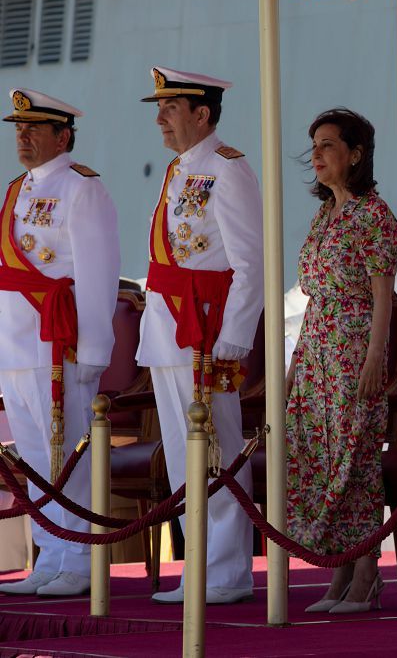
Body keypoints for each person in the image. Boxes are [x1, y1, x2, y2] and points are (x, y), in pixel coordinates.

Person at [138, 67, 263, 605]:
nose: (160, 117)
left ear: (202, 113)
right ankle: (200, 570)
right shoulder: (179, 171)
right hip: (169, 328)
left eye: (170, 107)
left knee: (217, 449)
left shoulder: (226, 169)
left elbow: (250, 262)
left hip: (207, 333)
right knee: (184, 455)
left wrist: (235, 338)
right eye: (159, 107)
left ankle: (227, 572)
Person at [0, 89, 119, 597]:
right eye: (18, 129)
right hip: (16, 343)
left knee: (66, 455)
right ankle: (50, 558)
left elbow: (98, 274)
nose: (22, 137)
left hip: (59, 344)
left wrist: (93, 351)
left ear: (62, 137)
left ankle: (79, 561)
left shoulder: (82, 188)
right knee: (31, 456)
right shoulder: (15, 189)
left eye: (33, 129)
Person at [285, 108, 397, 615]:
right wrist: (295, 363)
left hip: (353, 348)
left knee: (354, 459)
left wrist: (376, 357)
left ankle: (366, 573)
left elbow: (383, 296)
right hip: (316, 350)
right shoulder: (324, 214)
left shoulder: (373, 214)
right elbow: (313, 297)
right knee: (320, 456)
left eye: (328, 144)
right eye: (315, 145)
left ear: (355, 154)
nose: (317, 155)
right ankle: (339, 569)